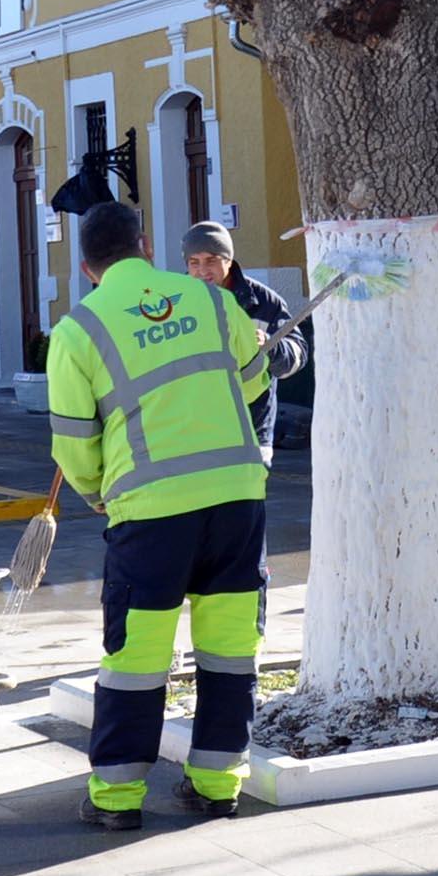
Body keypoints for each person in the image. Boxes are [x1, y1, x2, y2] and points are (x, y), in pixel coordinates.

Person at [49, 200, 274, 831]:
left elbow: (74, 442)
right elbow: (252, 382)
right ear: (145, 247)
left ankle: (118, 799)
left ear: (88, 268)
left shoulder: (78, 331)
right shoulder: (209, 299)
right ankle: (217, 785)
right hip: (236, 498)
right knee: (230, 650)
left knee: (138, 656)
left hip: (150, 513)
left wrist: (97, 492)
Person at [181, 221, 311, 451]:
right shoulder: (176, 303)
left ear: (228, 260)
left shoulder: (264, 302)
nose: (202, 270)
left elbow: (298, 356)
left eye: (211, 260)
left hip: (252, 433)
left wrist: (271, 346)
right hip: (193, 433)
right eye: (194, 262)